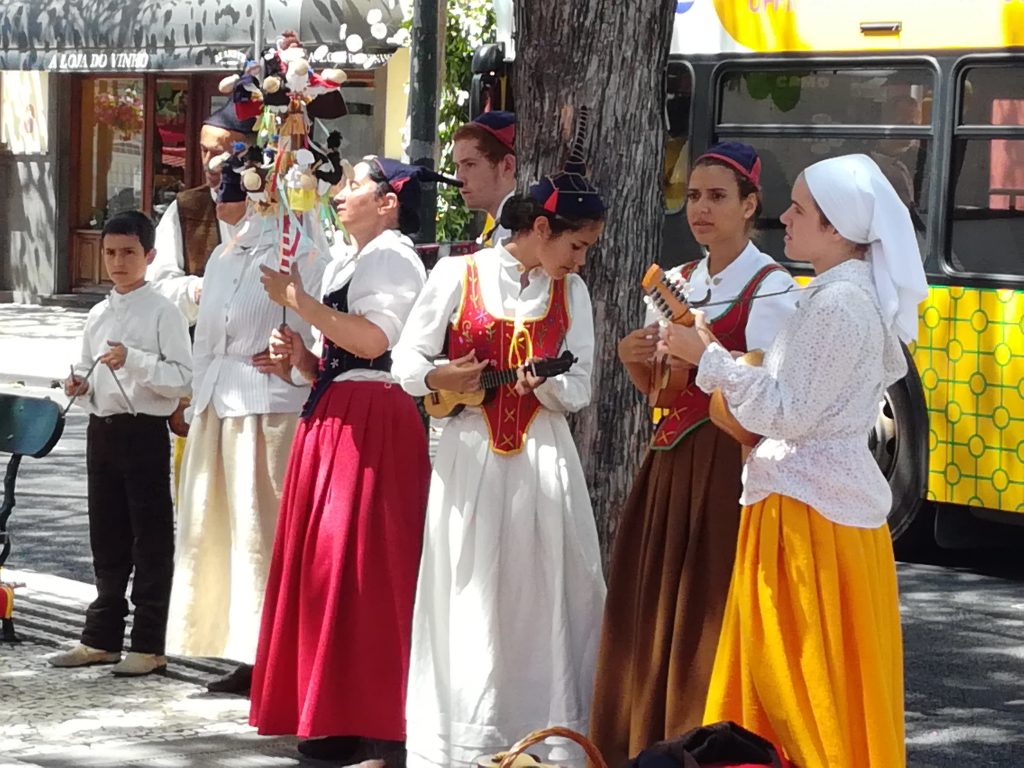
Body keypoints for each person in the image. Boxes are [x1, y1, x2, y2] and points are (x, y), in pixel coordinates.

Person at [660, 153, 926, 768]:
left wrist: (707, 356)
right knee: (811, 681)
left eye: (800, 209)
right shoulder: (840, 295)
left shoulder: (839, 304)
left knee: (800, 687)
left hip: (810, 522)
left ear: (836, 227)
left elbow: (785, 412)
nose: (785, 217)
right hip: (810, 511)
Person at [392, 137, 608, 767]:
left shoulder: (574, 297)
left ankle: (550, 741)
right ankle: (467, 743)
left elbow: (581, 384)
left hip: (544, 461)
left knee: (547, 593)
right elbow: (406, 358)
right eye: (576, 245)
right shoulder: (458, 275)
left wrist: (547, 383)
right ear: (541, 227)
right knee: (470, 594)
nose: (581, 260)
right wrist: (440, 379)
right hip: (468, 460)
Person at [589, 141, 799, 767]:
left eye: (717, 197)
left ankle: (703, 745)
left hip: (726, 465)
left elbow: (767, 395)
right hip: (670, 457)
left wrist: (705, 354)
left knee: (707, 608)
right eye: (694, 197)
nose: (701, 210)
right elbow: (665, 391)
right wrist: (642, 366)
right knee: (653, 605)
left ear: (750, 205)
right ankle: (643, 739)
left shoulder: (774, 288)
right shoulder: (677, 280)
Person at [248, 157, 447, 766]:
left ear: (388, 202)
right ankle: (334, 713)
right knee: (332, 565)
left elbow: (374, 343)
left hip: (372, 420)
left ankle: (376, 724)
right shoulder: (350, 258)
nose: (341, 192)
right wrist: (302, 360)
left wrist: (300, 303)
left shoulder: (392, 255)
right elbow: (343, 353)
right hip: (337, 410)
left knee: (361, 566)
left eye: (356, 184)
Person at [164, 149, 329, 694]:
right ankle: (245, 647)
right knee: (224, 534)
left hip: (271, 406)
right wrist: (193, 395)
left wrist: (299, 361)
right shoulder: (223, 256)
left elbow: (318, 328)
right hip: (221, 403)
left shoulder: (301, 252)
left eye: (237, 193)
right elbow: (208, 335)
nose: (226, 204)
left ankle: (280, 652)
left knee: (266, 532)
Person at [48, 211, 192, 677]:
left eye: (128, 252)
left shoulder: (164, 311)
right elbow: (88, 368)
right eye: (110, 253)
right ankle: (101, 637)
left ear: (149, 256)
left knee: (149, 538)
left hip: (144, 431)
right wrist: (78, 384)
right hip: (102, 430)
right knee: (105, 535)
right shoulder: (98, 312)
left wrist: (137, 361)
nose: (118, 262)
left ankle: (149, 643)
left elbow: (183, 379)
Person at [146, 104, 257, 325]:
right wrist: (195, 290)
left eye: (217, 153)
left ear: (244, 154)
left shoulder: (274, 207)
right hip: (201, 343)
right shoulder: (186, 207)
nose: (208, 162)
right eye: (203, 150)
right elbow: (156, 283)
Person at [453, 110, 517, 245]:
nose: (459, 178)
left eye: (470, 164)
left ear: (507, 166)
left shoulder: (516, 230)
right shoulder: (507, 225)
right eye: (457, 167)